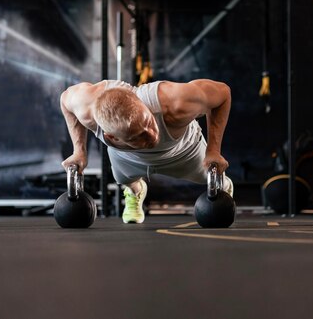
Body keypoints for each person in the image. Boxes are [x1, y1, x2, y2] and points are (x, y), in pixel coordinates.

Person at [60, 79, 233, 224]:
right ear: (112, 137)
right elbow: (65, 100)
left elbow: (223, 93)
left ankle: (224, 185)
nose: (152, 136)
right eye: (138, 136)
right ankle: (136, 191)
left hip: (183, 152)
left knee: (213, 180)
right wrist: (79, 152)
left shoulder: (176, 102)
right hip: (127, 158)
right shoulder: (86, 109)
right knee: (123, 179)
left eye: (149, 122)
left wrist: (213, 150)